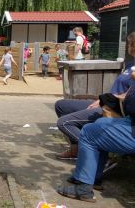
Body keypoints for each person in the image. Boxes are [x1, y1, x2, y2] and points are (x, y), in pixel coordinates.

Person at [54, 32, 135, 160]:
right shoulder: (130, 64)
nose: (128, 47)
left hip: (115, 109)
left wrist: (104, 101)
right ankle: (76, 150)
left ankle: (93, 147)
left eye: (130, 44)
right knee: (61, 105)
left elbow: (128, 96)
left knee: (64, 123)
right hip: (106, 102)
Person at [57, 83, 135, 203]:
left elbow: (130, 104)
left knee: (88, 132)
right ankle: (93, 178)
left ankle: (83, 189)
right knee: (100, 123)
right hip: (130, 121)